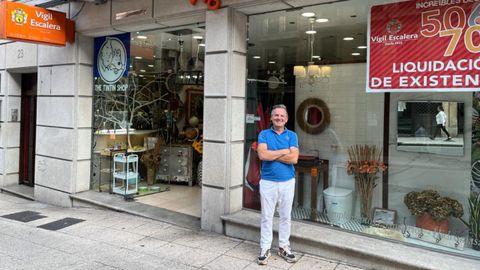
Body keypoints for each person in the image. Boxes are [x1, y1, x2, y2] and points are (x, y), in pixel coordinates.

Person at [256, 104, 299, 265]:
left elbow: (294, 159)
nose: (279, 118)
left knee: (285, 216)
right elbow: (262, 154)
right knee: (267, 217)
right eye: (276, 115)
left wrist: (271, 154)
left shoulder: (292, 135)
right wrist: (284, 151)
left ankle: (283, 247)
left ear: (286, 118)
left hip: (288, 181)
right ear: (271, 118)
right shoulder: (264, 134)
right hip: (268, 182)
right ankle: (265, 247)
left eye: (282, 116)